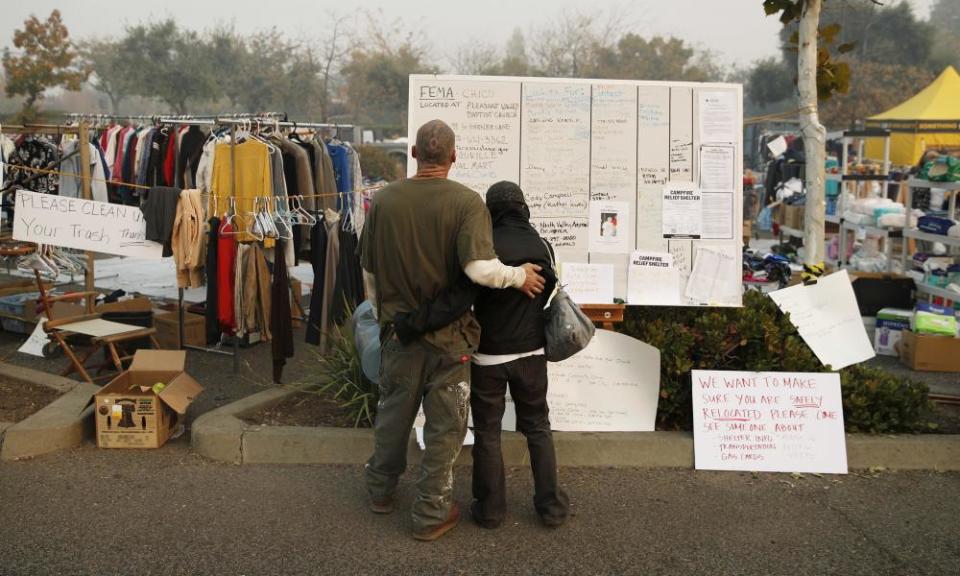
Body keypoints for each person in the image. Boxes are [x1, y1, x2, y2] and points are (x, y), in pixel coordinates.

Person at [359, 120, 546, 542]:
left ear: (413, 154)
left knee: (393, 416)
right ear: (454, 156)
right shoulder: (466, 203)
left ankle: (380, 492)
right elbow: (478, 269)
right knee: (444, 430)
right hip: (450, 340)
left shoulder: (384, 201)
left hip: (399, 337)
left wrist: (382, 313)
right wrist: (518, 278)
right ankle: (430, 514)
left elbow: (369, 270)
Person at [394, 181, 570, 530]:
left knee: (488, 432)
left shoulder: (486, 249)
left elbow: (455, 300)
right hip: (533, 354)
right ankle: (551, 508)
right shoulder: (544, 247)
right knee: (538, 428)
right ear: (523, 207)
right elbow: (547, 292)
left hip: (489, 356)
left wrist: (409, 325)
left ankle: (490, 511)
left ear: (490, 212)